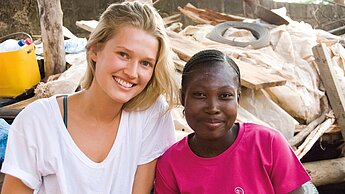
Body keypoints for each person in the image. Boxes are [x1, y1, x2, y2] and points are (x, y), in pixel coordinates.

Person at [1, 1, 179, 193]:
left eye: (145, 63)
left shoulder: (150, 114)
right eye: (123, 54)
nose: (132, 72)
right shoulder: (37, 121)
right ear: (95, 50)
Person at [154, 49, 311, 194]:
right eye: (200, 95)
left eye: (225, 96)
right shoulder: (170, 164)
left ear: (238, 98)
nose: (213, 108)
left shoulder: (267, 144)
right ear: (183, 98)